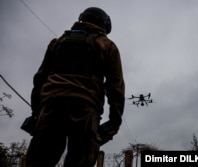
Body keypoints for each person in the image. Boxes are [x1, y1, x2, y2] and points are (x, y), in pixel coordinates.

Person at [25, 7, 125, 167]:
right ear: (104, 25)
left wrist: (36, 113)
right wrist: (114, 123)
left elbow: (39, 79)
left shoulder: (57, 42)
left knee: (38, 161)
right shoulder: (107, 45)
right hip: (85, 109)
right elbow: (116, 88)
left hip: (51, 106)